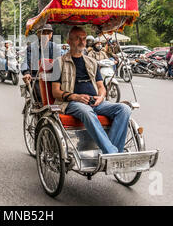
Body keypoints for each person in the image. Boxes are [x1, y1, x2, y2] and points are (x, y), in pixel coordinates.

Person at [52, 26, 131, 154]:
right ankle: (112, 153)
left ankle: (111, 151)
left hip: (95, 101)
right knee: (87, 111)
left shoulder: (92, 62)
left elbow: (101, 87)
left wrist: (101, 97)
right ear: (69, 41)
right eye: (78, 38)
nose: (82, 42)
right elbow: (55, 92)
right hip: (72, 103)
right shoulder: (58, 63)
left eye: (83, 39)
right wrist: (76, 97)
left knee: (124, 109)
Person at [21, 24, 61, 102]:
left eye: (48, 33)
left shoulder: (55, 47)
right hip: (36, 78)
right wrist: (26, 72)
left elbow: (60, 61)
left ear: (51, 35)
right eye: (43, 33)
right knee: (41, 99)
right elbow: (26, 61)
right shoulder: (31, 47)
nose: (46, 35)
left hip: (53, 78)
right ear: (38, 34)